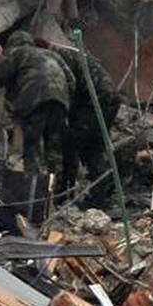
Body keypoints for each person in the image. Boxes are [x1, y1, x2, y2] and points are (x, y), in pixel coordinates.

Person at [0, 30, 73, 174]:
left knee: (31, 150)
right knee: (54, 151)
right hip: (59, 102)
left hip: (34, 101)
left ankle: (33, 189)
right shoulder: (51, 55)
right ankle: (56, 190)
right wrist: (63, 99)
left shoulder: (17, 53)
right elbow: (71, 80)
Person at [57, 42, 121, 209]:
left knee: (71, 145)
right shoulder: (73, 53)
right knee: (94, 148)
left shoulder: (60, 57)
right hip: (109, 99)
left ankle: (64, 194)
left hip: (95, 101)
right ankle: (99, 198)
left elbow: (69, 84)